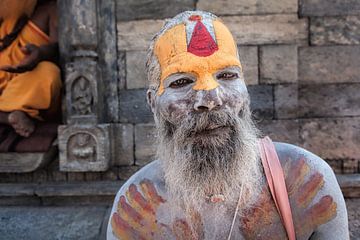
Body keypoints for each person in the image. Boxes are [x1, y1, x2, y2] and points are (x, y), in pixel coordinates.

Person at [107, 11, 348, 239]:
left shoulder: (306, 181)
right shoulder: (136, 207)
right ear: (152, 102)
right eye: (181, 81)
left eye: (227, 75)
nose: (210, 100)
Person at [0, 0, 61, 137]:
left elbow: (61, 50)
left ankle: (11, 112)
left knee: (48, 72)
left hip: (26, 91)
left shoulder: (48, 11)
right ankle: (7, 116)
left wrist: (40, 54)